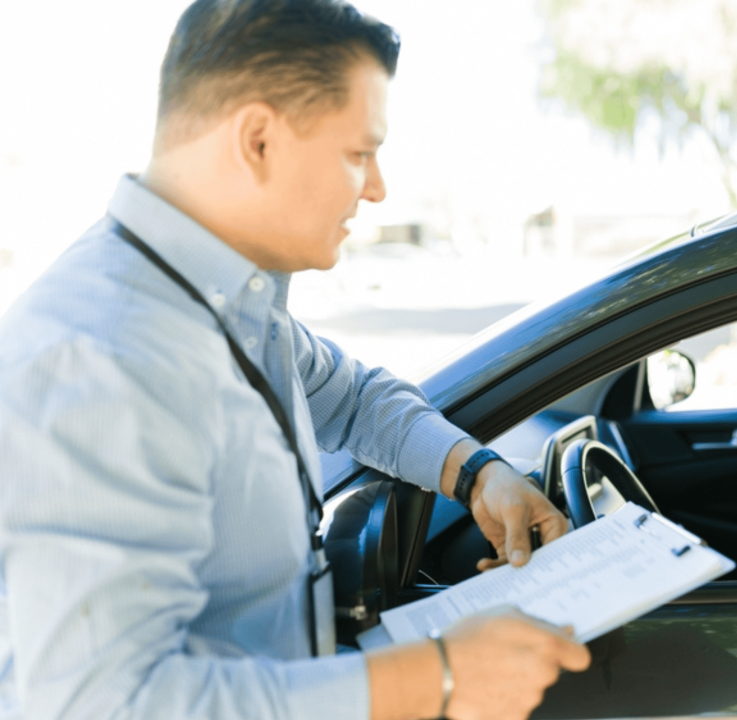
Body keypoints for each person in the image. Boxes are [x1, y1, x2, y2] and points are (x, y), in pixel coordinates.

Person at [0, 2, 590, 720]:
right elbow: (107, 705)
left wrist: (477, 475)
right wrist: (436, 678)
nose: (376, 189)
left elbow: (357, 400)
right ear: (258, 140)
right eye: (357, 154)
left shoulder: (231, 306)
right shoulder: (102, 354)